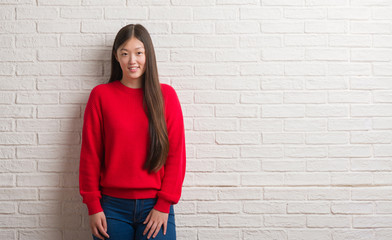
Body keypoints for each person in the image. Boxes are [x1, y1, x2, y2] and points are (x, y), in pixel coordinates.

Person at [79, 23, 186, 240]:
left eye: (139, 53)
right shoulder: (101, 96)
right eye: (125, 53)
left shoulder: (166, 96)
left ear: (148, 55)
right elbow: (90, 154)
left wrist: (164, 204)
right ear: (116, 57)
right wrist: (93, 205)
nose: (132, 61)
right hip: (111, 208)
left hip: (155, 206)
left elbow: (176, 154)